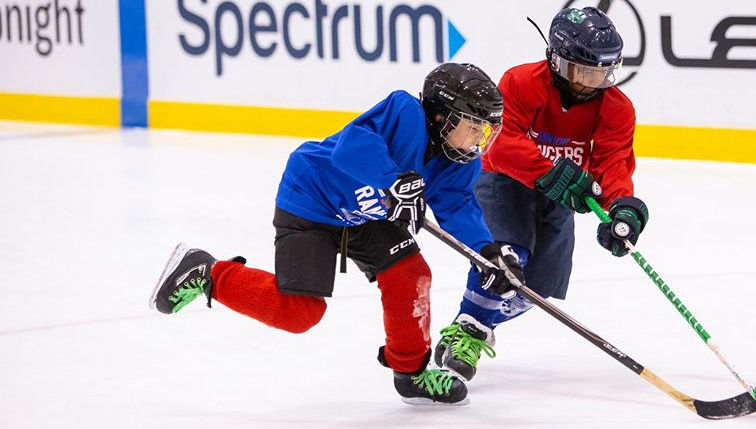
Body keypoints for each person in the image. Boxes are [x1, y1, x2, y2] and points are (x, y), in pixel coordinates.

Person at [149, 63, 526, 406]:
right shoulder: (405, 112)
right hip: (312, 199)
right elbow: (352, 146)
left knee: (411, 275)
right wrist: (392, 182)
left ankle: (410, 374)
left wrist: (488, 253)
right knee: (298, 314)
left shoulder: (457, 164)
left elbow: (458, 207)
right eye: (472, 124)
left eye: (485, 128)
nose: (479, 137)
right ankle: (206, 272)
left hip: (367, 218)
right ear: (441, 116)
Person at [434, 8, 650, 382]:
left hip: (559, 195)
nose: (593, 81)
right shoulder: (520, 82)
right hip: (505, 180)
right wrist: (552, 171)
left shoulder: (617, 108)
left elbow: (612, 163)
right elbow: (498, 145)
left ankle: (469, 322)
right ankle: (471, 334)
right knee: (507, 257)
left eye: (603, 72)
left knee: (540, 287)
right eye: (584, 71)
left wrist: (622, 208)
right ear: (557, 59)